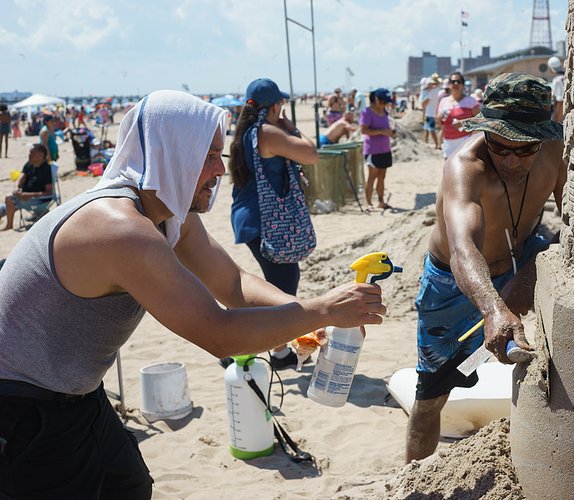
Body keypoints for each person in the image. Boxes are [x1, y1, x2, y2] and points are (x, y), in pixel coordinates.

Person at [0, 90, 385, 499]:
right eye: (208, 156)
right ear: (170, 155)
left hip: (74, 392)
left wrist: (314, 320)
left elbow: (233, 284)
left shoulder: (164, 210)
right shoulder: (120, 228)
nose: (221, 169)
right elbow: (218, 334)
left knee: (129, 487)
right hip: (22, 402)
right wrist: (320, 311)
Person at [405, 73, 565, 462]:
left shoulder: (557, 152)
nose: (510, 160)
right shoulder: (464, 167)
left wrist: (529, 274)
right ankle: (411, 480)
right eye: (500, 146)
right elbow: (464, 251)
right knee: (430, 397)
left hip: (522, 255)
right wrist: (494, 307)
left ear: (542, 136)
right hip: (453, 284)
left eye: (524, 149)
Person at [229, 78, 321, 369]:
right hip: (264, 222)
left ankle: (278, 352)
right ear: (274, 107)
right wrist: (291, 126)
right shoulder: (267, 133)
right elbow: (311, 153)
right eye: (281, 103)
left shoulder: (249, 132)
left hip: (253, 218)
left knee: (278, 288)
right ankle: (239, 346)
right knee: (281, 291)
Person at [1, 144, 53, 231]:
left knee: (9, 199)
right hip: (24, 196)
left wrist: (30, 195)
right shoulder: (29, 165)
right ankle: (7, 222)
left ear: (40, 156)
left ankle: (9, 225)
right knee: (6, 202)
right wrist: (17, 188)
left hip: (40, 200)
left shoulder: (46, 169)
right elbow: (20, 178)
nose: (29, 155)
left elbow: (49, 192)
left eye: (32, 153)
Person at [360, 88, 396, 210]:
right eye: (383, 102)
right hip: (372, 150)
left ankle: (381, 201)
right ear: (376, 100)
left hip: (385, 149)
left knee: (382, 176)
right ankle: (368, 203)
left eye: (386, 102)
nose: (384, 105)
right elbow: (364, 130)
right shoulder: (367, 112)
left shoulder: (384, 111)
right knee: (372, 177)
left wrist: (390, 132)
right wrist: (382, 131)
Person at [437, 71, 480, 159]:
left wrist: (463, 123)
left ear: (463, 84)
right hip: (448, 141)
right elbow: (439, 123)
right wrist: (439, 118)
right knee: (449, 168)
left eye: (459, 81)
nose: (456, 83)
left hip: (465, 140)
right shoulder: (444, 102)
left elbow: (480, 121)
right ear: (449, 85)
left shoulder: (471, 101)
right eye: (453, 82)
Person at [421, 74, 441, 149]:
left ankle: (437, 144)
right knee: (426, 129)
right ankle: (425, 142)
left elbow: (424, 103)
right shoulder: (438, 90)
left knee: (431, 129)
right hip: (432, 112)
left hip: (430, 113)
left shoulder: (433, 91)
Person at [548, 56, 565, 123]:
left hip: (559, 116)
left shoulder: (557, 80)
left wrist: (556, 120)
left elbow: (560, 102)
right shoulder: (565, 77)